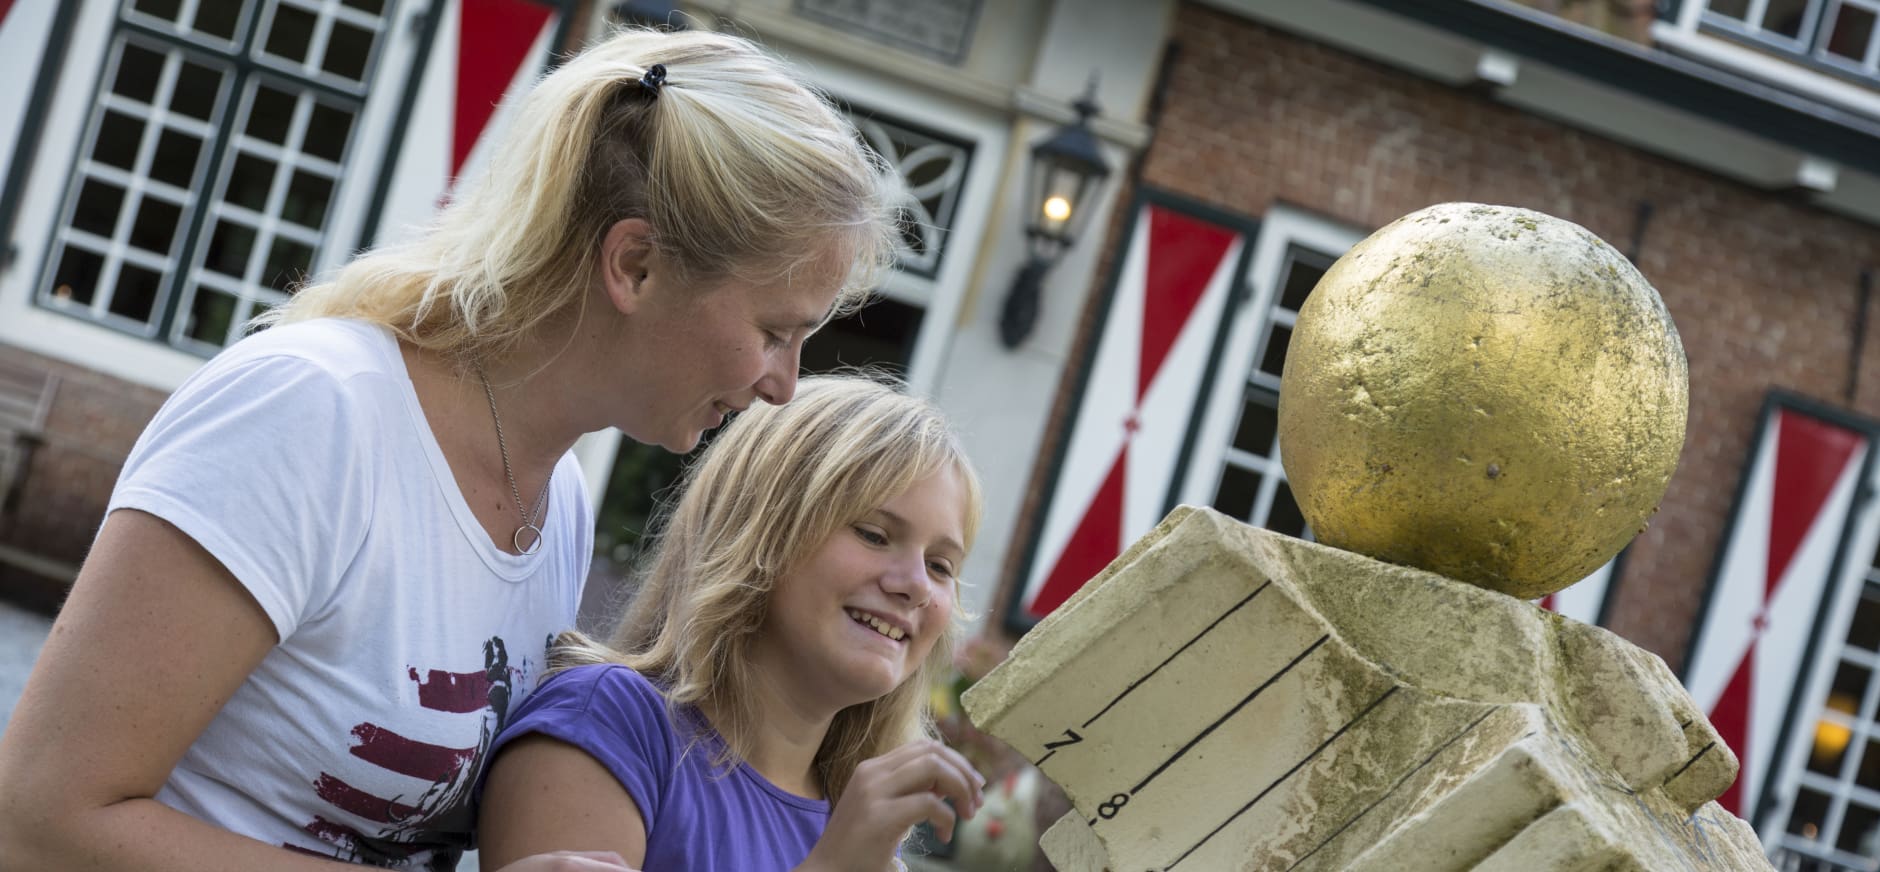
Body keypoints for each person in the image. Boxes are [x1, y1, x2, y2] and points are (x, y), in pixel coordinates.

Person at [0, 25, 899, 871]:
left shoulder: (559, 508)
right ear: (634, 266)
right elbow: (38, 823)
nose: (784, 384)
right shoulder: (314, 414)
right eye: (776, 330)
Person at [475, 376, 987, 872]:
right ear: (762, 532)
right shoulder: (609, 722)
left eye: (941, 566)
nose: (917, 585)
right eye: (874, 534)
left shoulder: (853, 823)